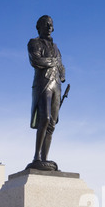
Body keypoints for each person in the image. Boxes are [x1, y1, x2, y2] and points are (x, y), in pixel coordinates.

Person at [27, 15, 65, 167]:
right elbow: (36, 60)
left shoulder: (56, 47)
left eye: (51, 24)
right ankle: (37, 157)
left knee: (52, 123)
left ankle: (44, 158)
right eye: (46, 24)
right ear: (39, 27)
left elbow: (61, 66)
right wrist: (53, 63)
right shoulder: (34, 42)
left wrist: (62, 73)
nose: (49, 27)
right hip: (43, 84)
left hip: (56, 85)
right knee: (45, 118)